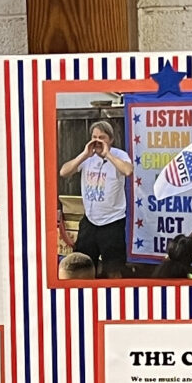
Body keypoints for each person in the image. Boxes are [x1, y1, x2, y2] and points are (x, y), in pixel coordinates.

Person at [60, 118, 134, 276]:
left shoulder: (119, 155)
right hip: (90, 221)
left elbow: (128, 171)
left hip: (112, 222)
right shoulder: (87, 157)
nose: (97, 141)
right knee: (82, 265)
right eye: (94, 137)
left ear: (111, 140)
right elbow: (64, 172)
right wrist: (84, 155)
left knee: (114, 268)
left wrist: (108, 154)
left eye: (102, 138)